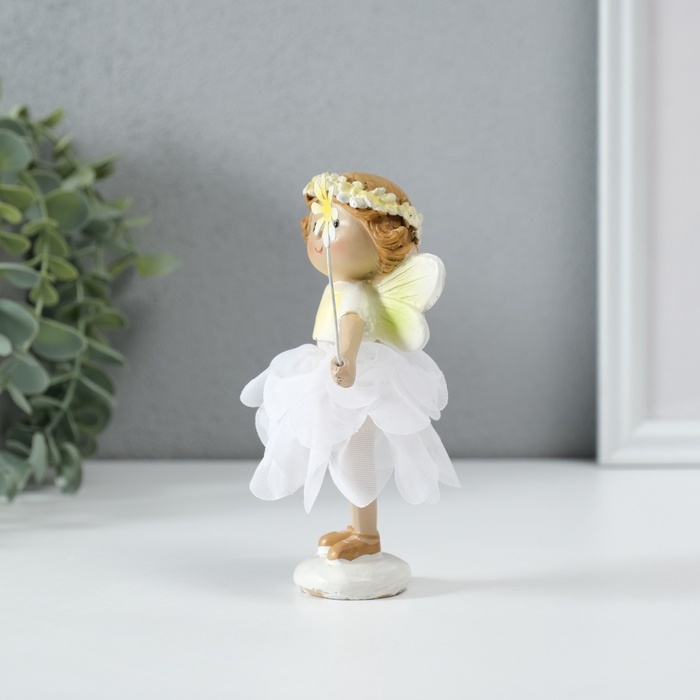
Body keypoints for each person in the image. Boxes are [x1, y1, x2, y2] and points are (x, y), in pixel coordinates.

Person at [241, 172, 460, 561]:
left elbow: (351, 324)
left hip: (354, 381)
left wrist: (348, 362)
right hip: (335, 373)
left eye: (334, 226)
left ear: (382, 240)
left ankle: (367, 535)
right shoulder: (340, 288)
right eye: (317, 225)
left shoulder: (354, 292)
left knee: (356, 458)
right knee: (347, 455)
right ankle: (358, 527)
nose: (319, 237)